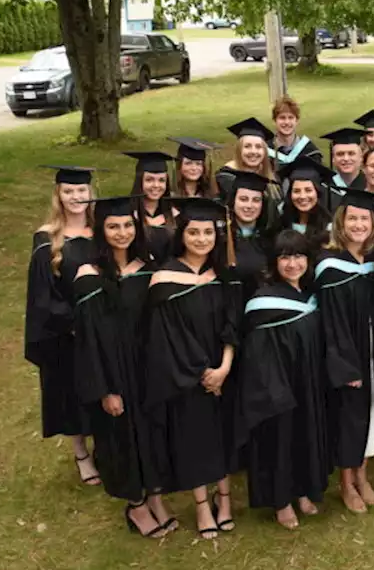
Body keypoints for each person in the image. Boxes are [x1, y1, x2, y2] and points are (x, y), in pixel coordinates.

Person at [72, 196, 174, 538]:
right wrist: (105, 388)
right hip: (114, 371)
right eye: (113, 226)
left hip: (147, 368)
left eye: (128, 225)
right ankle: (136, 505)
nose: (122, 233)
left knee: (153, 433)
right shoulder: (90, 277)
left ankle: (156, 496)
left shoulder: (147, 269)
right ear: (101, 230)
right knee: (123, 438)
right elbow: (87, 341)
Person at [143, 198, 239, 540]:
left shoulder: (221, 275)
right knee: (196, 439)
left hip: (224, 373)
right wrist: (204, 374)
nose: (202, 239)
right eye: (194, 232)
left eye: (208, 232)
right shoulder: (165, 279)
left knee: (224, 437)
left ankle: (224, 500)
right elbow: (168, 335)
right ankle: (201, 505)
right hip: (188, 375)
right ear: (181, 235)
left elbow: (231, 324)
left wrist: (225, 367)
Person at [235, 229, 330, 529]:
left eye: (299, 256)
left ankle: (303, 491)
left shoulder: (310, 296)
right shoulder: (263, 303)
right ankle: (281, 501)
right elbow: (257, 355)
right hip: (278, 388)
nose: (293, 264)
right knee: (280, 441)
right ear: (274, 262)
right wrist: (276, 390)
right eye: (285, 257)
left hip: (308, 383)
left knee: (305, 436)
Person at [25, 165, 99, 486]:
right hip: (68, 331)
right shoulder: (46, 240)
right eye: (69, 191)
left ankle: (106, 447)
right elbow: (43, 294)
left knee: (104, 389)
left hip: (104, 327)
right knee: (73, 392)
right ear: (59, 195)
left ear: (90, 193)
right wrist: (74, 323)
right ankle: (81, 453)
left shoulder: (103, 230)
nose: (76, 197)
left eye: (81, 191)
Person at [317, 188, 374, 513]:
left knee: (369, 414)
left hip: (372, 346)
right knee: (348, 417)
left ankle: (362, 475)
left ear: (373, 224)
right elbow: (331, 322)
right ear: (341, 224)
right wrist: (346, 366)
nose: (359, 224)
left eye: (365, 219)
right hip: (347, 355)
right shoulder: (329, 266)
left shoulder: (373, 260)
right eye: (353, 218)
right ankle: (346, 484)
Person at [228, 172, 275, 305]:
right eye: (243, 199)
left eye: (256, 200)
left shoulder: (270, 239)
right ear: (233, 201)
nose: (249, 206)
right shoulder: (221, 238)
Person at [126, 151, 175, 262]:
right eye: (149, 180)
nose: (156, 185)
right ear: (139, 181)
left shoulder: (176, 215)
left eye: (161, 180)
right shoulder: (128, 213)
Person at [277, 156, 334, 251]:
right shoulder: (280, 224)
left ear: (317, 193)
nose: (302, 196)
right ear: (290, 194)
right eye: (296, 191)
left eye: (308, 190)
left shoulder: (329, 228)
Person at [217, 117, 278, 202]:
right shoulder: (226, 177)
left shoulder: (271, 177)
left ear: (265, 151)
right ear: (239, 150)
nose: (253, 151)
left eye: (258, 147)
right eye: (247, 146)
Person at [322, 127, 367, 212]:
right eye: (340, 154)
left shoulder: (370, 185)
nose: (346, 158)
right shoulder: (324, 187)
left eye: (351, 153)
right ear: (333, 159)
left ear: (361, 157)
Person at [269, 95, 322, 167]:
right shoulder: (266, 150)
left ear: (297, 121)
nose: (287, 122)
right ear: (274, 121)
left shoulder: (310, 151)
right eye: (282, 118)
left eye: (291, 118)